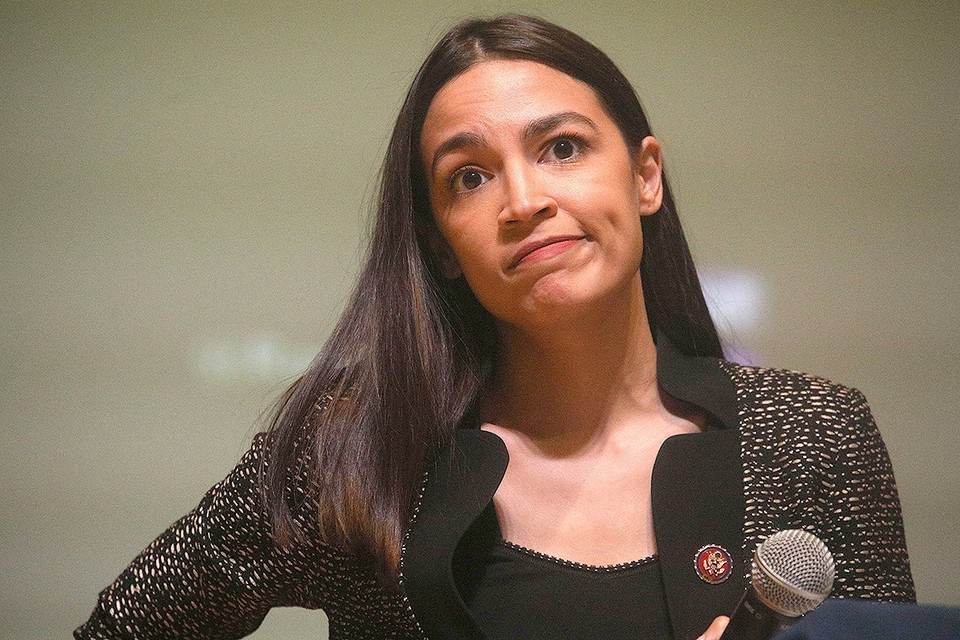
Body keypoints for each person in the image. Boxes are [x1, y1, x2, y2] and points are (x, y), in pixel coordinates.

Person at [74, 14, 915, 640]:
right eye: (469, 177)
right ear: (442, 246)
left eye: (562, 148)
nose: (523, 201)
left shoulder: (815, 435)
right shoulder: (357, 450)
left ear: (645, 176)